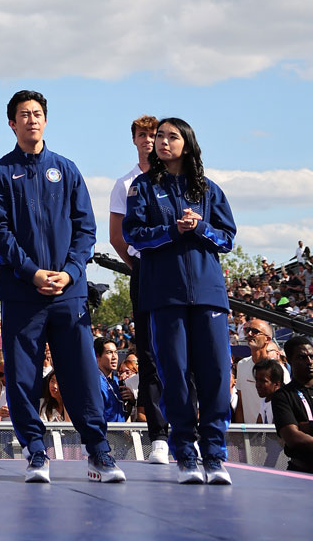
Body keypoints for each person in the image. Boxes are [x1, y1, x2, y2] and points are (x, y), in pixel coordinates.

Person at [0, 89, 123, 485]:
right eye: (24, 114)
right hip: (22, 292)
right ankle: (35, 451)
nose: (32, 119)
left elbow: (86, 229)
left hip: (69, 292)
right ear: (12, 122)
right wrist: (31, 273)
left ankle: (98, 452)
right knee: (23, 377)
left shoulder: (67, 169)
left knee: (79, 374)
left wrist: (71, 271)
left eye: (38, 113)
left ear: (46, 120)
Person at [122, 115, 237, 485]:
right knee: (175, 375)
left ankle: (215, 456)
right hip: (165, 296)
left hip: (209, 296)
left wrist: (200, 227)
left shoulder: (208, 189)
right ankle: (185, 453)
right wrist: (173, 230)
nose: (163, 142)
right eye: (159, 137)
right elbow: (135, 237)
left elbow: (227, 238)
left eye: (172, 136)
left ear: (187, 143)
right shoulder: (142, 187)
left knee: (217, 375)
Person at [108, 113, 169, 462]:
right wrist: (139, 268)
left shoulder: (178, 178)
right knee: (147, 353)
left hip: (176, 271)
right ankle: (158, 435)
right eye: (142, 135)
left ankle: (186, 429)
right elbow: (117, 238)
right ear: (134, 140)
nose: (149, 140)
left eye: (154, 134)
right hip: (145, 269)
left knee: (182, 353)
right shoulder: (125, 183)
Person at [271, 337, 313, 474]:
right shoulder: (282, 396)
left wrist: (309, 427)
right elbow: (293, 438)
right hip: (302, 472)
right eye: (302, 357)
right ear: (289, 360)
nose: (309, 362)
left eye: (312, 356)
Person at [93, 338, 125, 422]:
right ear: (97, 356)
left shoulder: (116, 381)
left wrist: (130, 402)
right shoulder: (94, 383)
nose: (114, 357)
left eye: (116, 352)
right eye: (109, 352)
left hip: (120, 433)